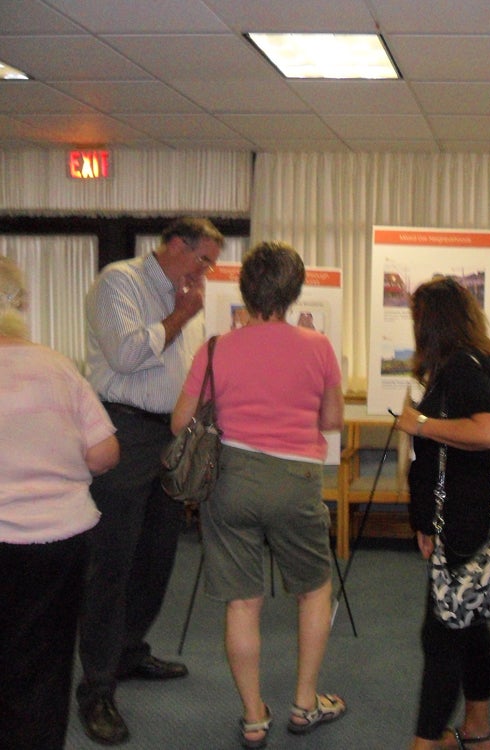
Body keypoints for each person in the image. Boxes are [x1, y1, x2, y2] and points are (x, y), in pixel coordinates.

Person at [171, 241, 346, 749]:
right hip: (297, 481)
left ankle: (252, 717)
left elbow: (181, 421)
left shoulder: (217, 348)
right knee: (313, 589)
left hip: (231, 481)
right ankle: (305, 702)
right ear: (293, 292)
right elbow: (332, 420)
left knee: (242, 603)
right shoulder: (317, 347)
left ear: (246, 290)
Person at [77, 217, 224, 745]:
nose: (207, 270)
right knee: (111, 563)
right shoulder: (121, 281)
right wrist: (183, 314)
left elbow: (184, 370)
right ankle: (95, 688)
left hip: (170, 435)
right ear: (176, 246)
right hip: (122, 429)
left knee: (157, 555)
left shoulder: (190, 294)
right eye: (203, 258)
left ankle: (129, 652)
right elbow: (125, 355)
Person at [398, 277, 490, 750]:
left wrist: (421, 423)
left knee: (443, 631)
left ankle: (425, 743)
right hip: (480, 514)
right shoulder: (487, 360)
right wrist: (423, 517)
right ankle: (476, 730)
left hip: (469, 518)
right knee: (470, 620)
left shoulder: (460, 368)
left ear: (431, 323)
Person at [0, 255, 120, 750]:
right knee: (48, 655)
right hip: (59, 539)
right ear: (21, 304)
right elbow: (104, 453)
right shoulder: (58, 367)